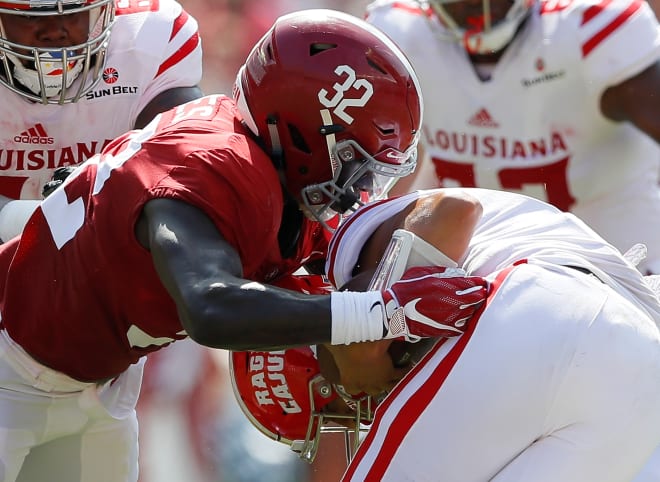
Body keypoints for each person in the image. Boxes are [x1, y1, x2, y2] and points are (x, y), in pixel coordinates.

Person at [0, 10, 492, 482]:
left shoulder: (274, 174)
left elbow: (441, 214)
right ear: (304, 130)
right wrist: (377, 313)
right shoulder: (212, 163)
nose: (360, 186)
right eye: (354, 161)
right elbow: (210, 305)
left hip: (94, 384)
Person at [231, 187, 660, 481]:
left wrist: (357, 340)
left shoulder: (344, 257)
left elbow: (455, 210)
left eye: (338, 406)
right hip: (639, 373)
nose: (361, 411)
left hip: (540, 308)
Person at [363, 0, 660, 274]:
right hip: (486, 276)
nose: (476, 7)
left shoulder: (588, 27)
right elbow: (363, 183)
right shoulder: (397, 35)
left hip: (622, 267)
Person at [0, 0, 204, 241]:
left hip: (111, 254)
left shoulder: (150, 34)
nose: (54, 31)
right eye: (31, 16)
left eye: (72, 11)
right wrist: (33, 219)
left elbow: (175, 179)